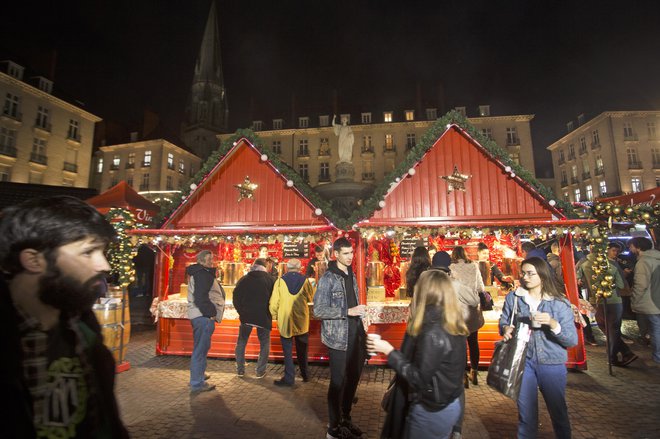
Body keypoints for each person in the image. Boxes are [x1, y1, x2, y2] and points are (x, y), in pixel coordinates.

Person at [0, 196, 129, 438]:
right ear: (34, 260)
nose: (105, 265)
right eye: (89, 252)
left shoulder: (84, 331)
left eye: (103, 251)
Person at [368, 270, 468, 439]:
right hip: (449, 405)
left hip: (431, 410)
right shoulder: (453, 323)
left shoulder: (432, 330)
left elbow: (420, 378)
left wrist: (389, 351)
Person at [500, 257, 578, 438]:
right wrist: (505, 328)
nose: (525, 277)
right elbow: (505, 320)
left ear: (542, 275)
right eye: (523, 273)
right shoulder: (515, 298)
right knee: (526, 415)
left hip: (551, 362)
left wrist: (552, 324)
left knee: (558, 412)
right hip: (523, 360)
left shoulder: (559, 303)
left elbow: (571, 340)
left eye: (530, 274)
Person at [314, 237, 367, 439]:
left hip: (356, 336)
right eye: (345, 253)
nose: (350, 257)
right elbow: (318, 310)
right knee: (338, 382)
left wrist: (361, 316)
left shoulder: (351, 274)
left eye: (351, 253)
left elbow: (354, 303)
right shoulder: (328, 278)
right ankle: (333, 428)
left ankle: (346, 418)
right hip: (338, 338)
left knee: (353, 379)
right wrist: (348, 311)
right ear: (335, 254)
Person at [431, 251, 480, 439]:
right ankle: (456, 429)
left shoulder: (427, 284)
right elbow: (475, 300)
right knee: (456, 383)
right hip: (456, 338)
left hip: (434, 340)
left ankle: (438, 422)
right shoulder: (456, 284)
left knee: (434, 378)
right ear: (448, 267)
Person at [576, 249, 638, 366]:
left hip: (596, 301)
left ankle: (623, 353)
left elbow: (578, 280)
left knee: (605, 327)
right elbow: (620, 285)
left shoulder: (584, 264)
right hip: (614, 300)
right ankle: (614, 356)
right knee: (613, 329)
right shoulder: (612, 265)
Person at [269, 258, 315, 386]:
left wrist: (275, 315)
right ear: (300, 268)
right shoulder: (305, 281)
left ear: (287, 268)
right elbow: (310, 297)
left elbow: (274, 303)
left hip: (285, 321)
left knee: (287, 352)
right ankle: (306, 375)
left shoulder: (279, 281)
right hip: (301, 321)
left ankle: (289, 379)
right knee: (302, 350)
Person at [187, 250, 225, 393]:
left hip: (200, 316)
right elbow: (200, 297)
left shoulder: (200, 273)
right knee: (200, 349)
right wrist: (210, 313)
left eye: (212, 259)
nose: (211, 262)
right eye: (209, 259)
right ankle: (197, 382)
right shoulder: (203, 274)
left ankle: (199, 374)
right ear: (201, 261)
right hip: (203, 317)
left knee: (202, 347)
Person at [233, 258, 276, 378]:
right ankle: (260, 371)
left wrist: (241, 311)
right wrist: (271, 312)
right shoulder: (271, 280)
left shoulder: (244, 279)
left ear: (253, 266)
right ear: (265, 267)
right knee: (264, 343)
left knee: (241, 341)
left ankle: (240, 369)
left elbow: (235, 297)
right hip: (264, 316)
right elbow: (275, 299)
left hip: (246, 316)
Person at [449, 246, 485, 386]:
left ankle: (463, 375)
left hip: (458, 308)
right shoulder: (474, 266)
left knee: (461, 343)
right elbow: (481, 287)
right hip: (473, 308)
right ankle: (474, 373)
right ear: (465, 254)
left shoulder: (451, 267)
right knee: (473, 341)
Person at [628, 237, 660, 365]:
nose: (630, 249)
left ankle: (658, 356)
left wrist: (634, 301)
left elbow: (641, 285)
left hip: (650, 301)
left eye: (631, 246)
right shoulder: (657, 258)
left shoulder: (643, 262)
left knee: (655, 329)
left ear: (638, 247)